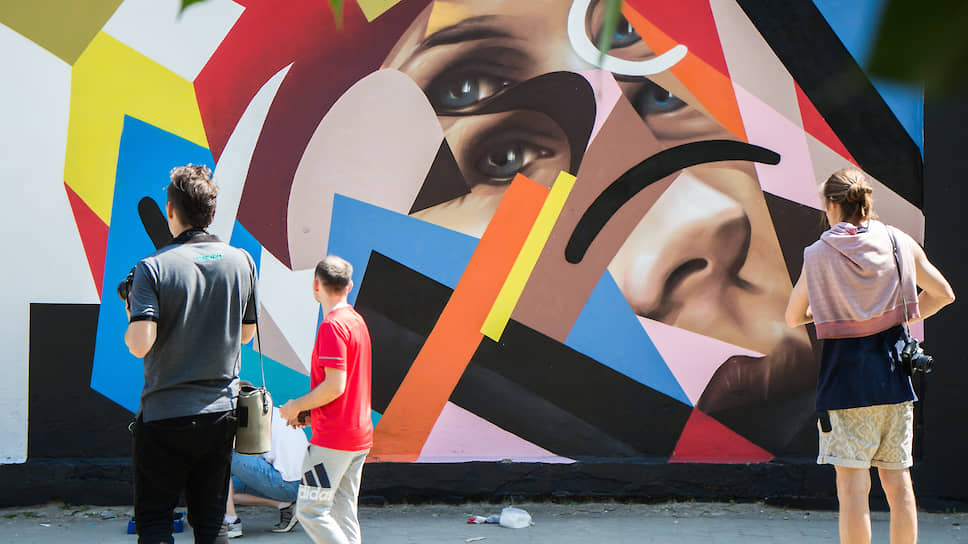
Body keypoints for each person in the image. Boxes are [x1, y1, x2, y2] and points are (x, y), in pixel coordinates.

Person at [785, 168, 954, 544]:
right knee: (899, 483)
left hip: (844, 386)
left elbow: (793, 316)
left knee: (852, 490)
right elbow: (943, 293)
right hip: (895, 382)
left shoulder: (818, 254)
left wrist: (828, 314)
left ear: (832, 204)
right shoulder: (897, 241)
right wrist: (898, 315)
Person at [123, 164, 258, 544]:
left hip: (165, 414)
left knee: (155, 523)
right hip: (220, 414)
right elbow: (246, 334)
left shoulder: (152, 268)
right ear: (211, 212)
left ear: (170, 210)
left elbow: (140, 343)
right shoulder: (242, 261)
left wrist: (132, 309)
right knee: (211, 524)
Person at [278, 256, 373, 544]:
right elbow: (347, 386)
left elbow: (334, 386)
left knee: (311, 511)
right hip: (357, 436)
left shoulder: (332, 326)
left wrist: (296, 407)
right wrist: (310, 415)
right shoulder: (356, 321)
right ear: (349, 286)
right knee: (344, 512)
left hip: (333, 439)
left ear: (316, 286)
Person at [224, 404, 309, 538]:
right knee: (222, 491)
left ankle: (231, 522)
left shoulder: (251, 421)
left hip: (288, 484)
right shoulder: (273, 412)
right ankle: (284, 505)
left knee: (225, 454)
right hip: (301, 485)